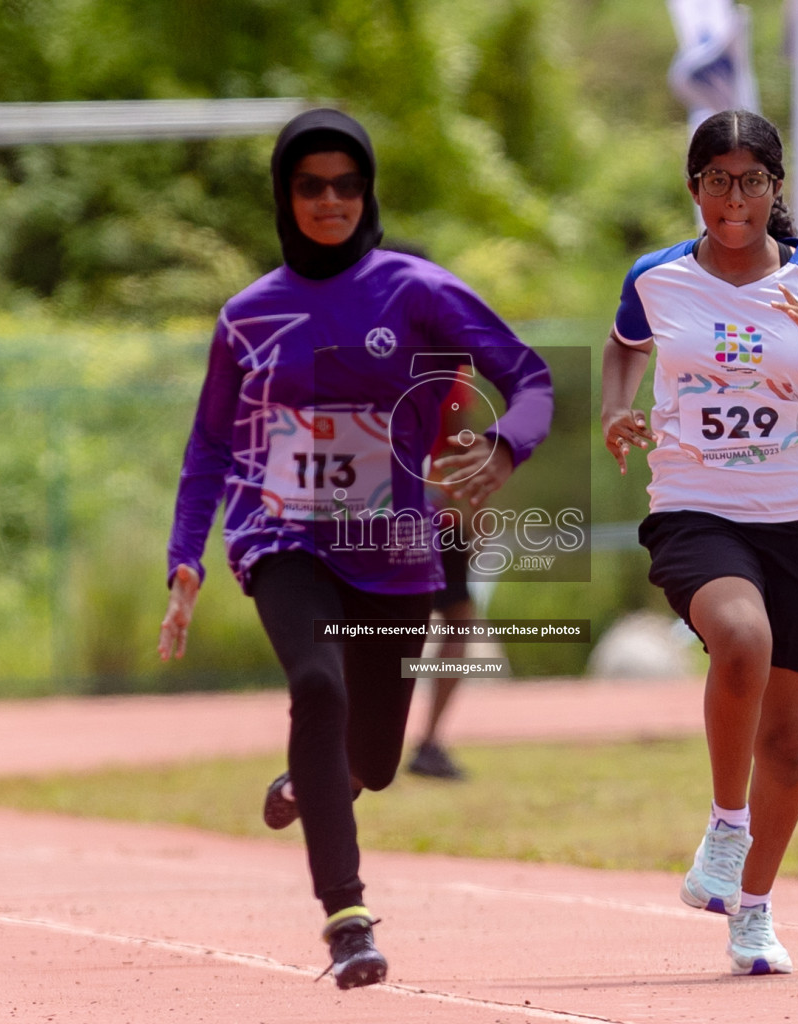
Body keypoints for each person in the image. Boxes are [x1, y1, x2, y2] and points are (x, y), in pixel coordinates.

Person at [158, 108, 553, 990]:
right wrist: (186, 559)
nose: (330, 200)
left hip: (393, 549)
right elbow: (211, 448)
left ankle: (317, 777)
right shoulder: (247, 316)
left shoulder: (415, 291)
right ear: (284, 196)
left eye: (346, 184)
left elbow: (528, 376)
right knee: (314, 685)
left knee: (372, 759)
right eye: (310, 186)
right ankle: (348, 918)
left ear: (366, 191)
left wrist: (502, 447)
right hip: (280, 537)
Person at [602, 110, 798, 976]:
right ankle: (726, 829)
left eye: (753, 181)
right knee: (740, 639)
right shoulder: (656, 278)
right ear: (694, 188)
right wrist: (618, 408)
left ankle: (754, 912)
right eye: (719, 180)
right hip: (698, 506)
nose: (735, 197)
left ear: (777, 190)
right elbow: (625, 347)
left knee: (791, 745)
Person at [407, 374, 478, 781]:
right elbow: (460, 442)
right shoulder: (446, 371)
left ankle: (359, 735)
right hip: (436, 515)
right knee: (457, 620)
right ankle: (429, 743)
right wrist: (473, 507)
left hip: (376, 510)